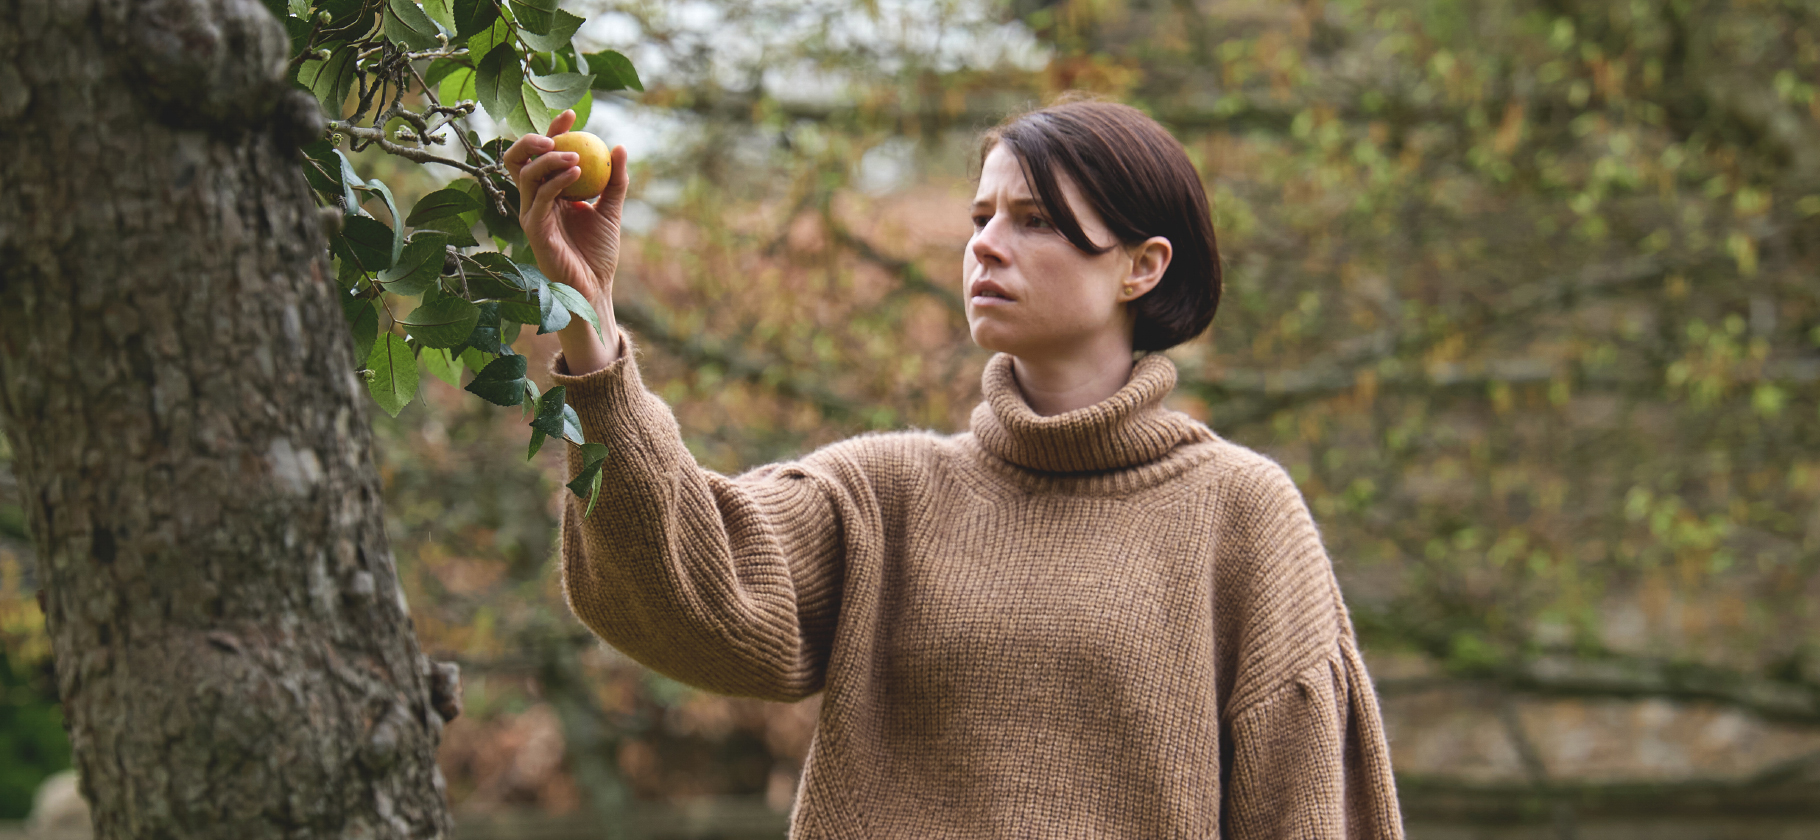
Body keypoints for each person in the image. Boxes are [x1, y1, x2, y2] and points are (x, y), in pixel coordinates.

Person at [504, 98, 1405, 839]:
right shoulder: (885, 496)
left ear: (1142, 265)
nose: (985, 243)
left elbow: (1313, 817)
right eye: (981, 217)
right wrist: (590, 321)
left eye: (1036, 219)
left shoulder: (1242, 514)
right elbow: (682, 591)